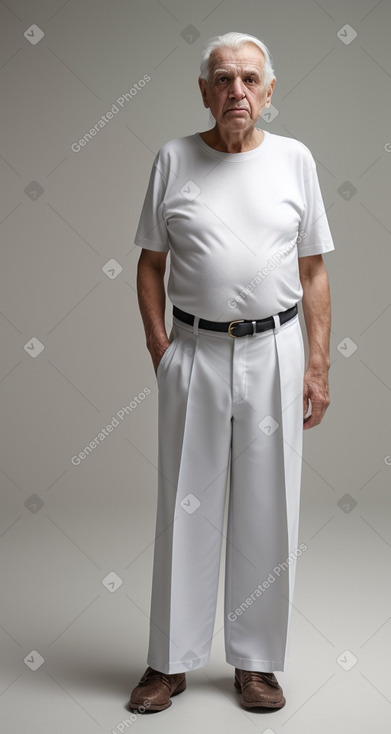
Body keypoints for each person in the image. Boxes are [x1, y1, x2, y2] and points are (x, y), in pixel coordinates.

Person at [129, 31, 334, 712]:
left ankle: (255, 664)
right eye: (223, 79)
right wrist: (162, 346)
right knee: (185, 504)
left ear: (268, 91)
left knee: (266, 504)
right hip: (194, 351)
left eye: (249, 79)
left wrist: (316, 363)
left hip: (274, 349)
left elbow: (311, 270)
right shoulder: (173, 159)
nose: (236, 91)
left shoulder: (294, 160)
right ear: (204, 91)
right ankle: (169, 662)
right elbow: (151, 263)